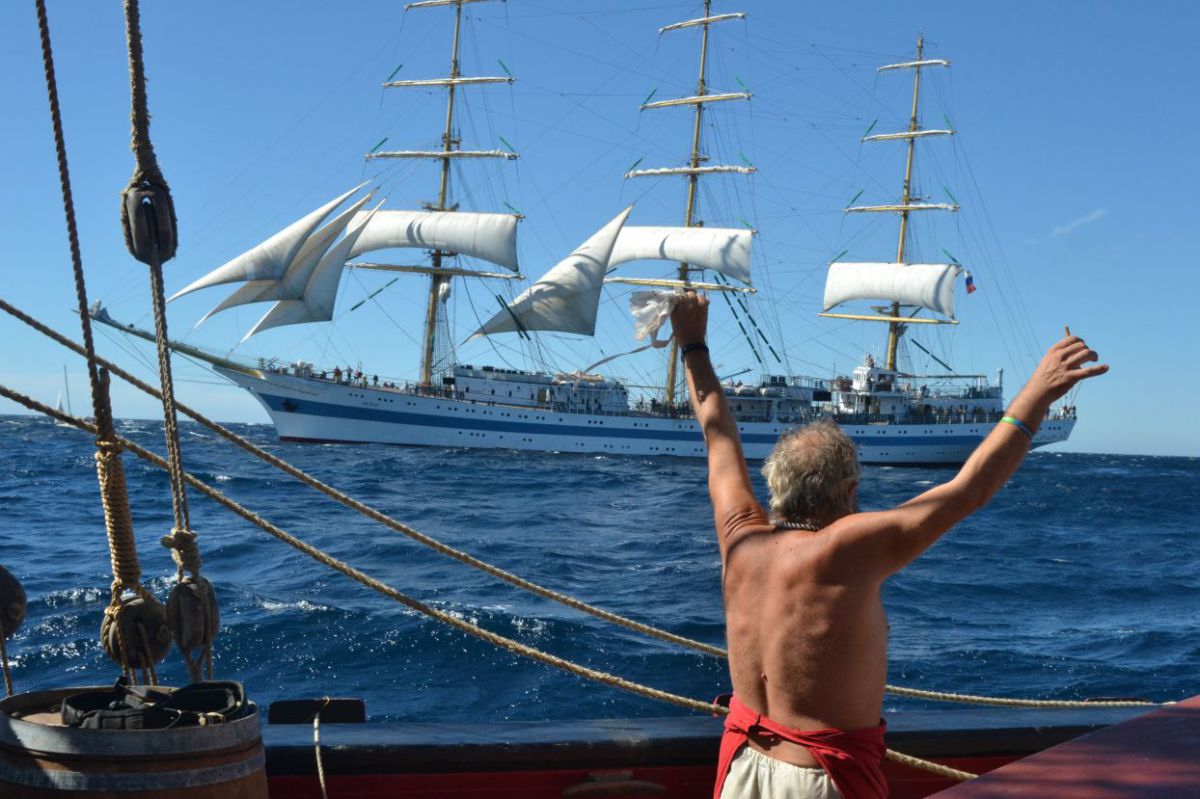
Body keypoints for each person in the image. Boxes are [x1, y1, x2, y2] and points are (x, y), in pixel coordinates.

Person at [669, 292, 1108, 799]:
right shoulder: (845, 549)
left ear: (774, 483)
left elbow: (718, 435)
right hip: (819, 781)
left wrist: (693, 344)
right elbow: (968, 490)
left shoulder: (739, 538)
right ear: (850, 491)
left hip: (743, 767)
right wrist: (1037, 393)